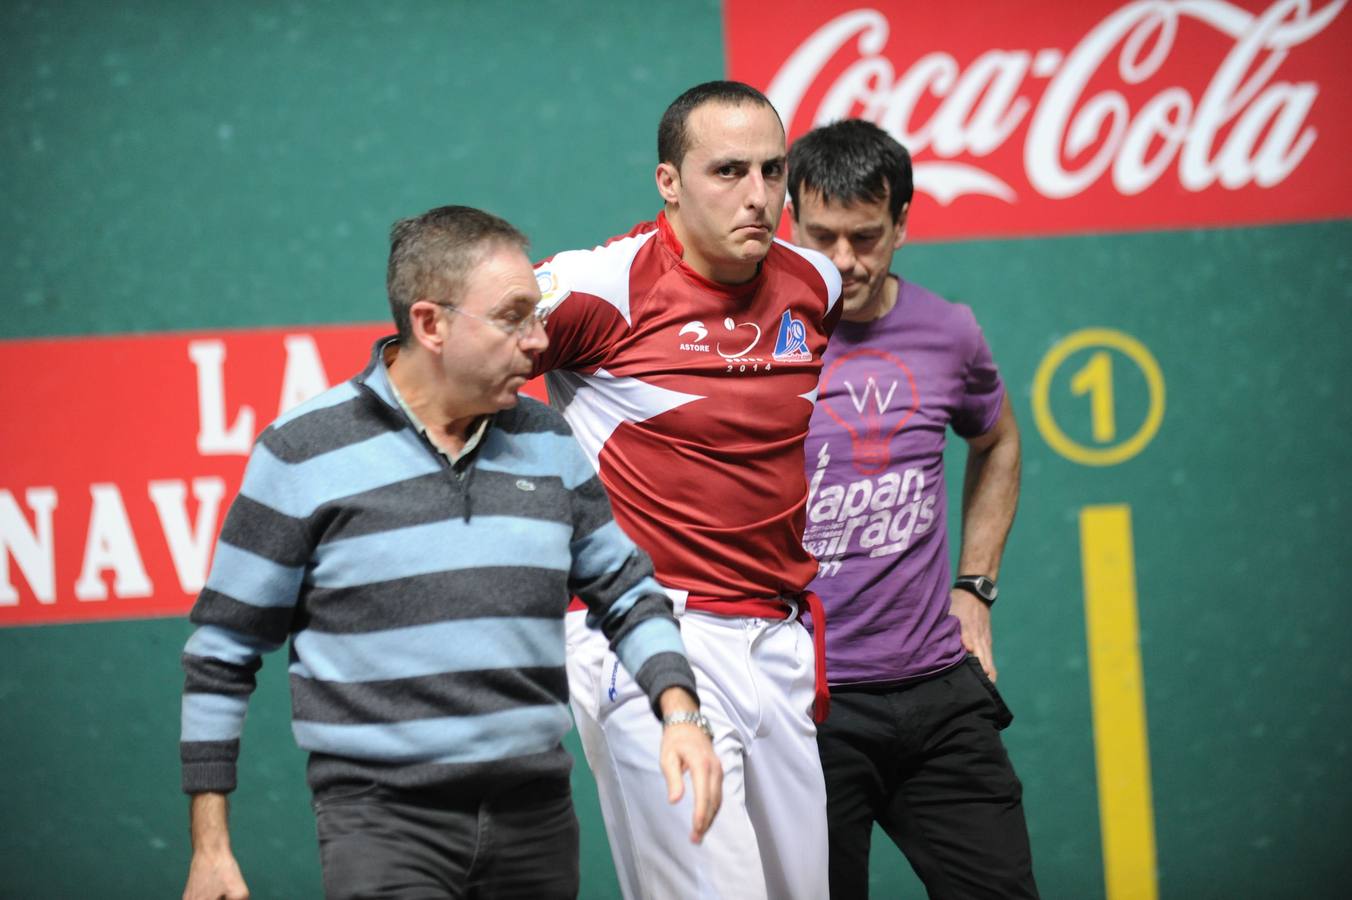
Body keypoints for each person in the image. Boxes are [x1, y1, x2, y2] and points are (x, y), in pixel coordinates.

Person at [178, 205, 721, 900]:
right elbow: (222, 653)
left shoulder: (550, 442)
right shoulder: (303, 453)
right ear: (431, 324)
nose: (539, 340)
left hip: (538, 823)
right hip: (382, 830)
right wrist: (211, 848)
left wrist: (679, 712)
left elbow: (625, 590)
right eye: (514, 316)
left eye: (539, 314)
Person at [530, 81, 842, 900]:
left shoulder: (816, 284)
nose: (759, 197)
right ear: (667, 181)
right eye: (729, 171)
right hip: (650, 640)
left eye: (774, 172)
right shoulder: (598, 287)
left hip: (776, 643)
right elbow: (446, 357)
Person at [786, 118, 1038, 898]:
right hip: (807, 705)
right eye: (821, 235)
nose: (843, 261)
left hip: (939, 695)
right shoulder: (754, 341)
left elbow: (996, 442)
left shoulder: (948, 331)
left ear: (902, 223)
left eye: (865, 236)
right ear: (790, 219)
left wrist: (976, 587)